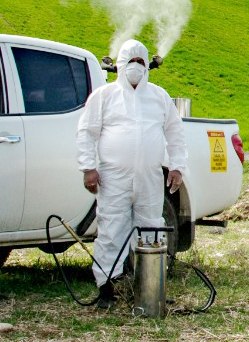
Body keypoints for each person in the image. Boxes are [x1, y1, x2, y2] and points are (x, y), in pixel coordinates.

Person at [76, 39, 186, 307]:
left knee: (151, 227)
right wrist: (88, 167)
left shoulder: (158, 97)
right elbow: (87, 132)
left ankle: (151, 286)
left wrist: (177, 166)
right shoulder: (104, 96)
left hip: (149, 175)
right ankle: (107, 288)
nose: (135, 67)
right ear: (120, 65)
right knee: (112, 228)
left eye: (140, 62)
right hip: (113, 176)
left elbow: (175, 132)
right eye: (130, 62)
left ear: (147, 65)